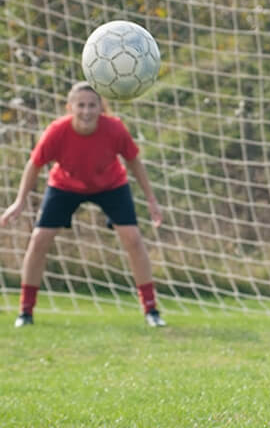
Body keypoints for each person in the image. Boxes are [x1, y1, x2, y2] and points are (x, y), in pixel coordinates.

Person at [1, 81, 167, 328]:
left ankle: (151, 310)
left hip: (111, 184)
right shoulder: (57, 131)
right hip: (65, 185)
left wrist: (152, 200)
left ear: (102, 107)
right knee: (38, 240)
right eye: (81, 105)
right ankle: (25, 312)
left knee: (133, 238)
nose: (86, 111)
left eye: (92, 105)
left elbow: (134, 162)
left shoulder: (115, 129)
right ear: (70, 107)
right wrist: (19, 201)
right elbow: (34, 164)